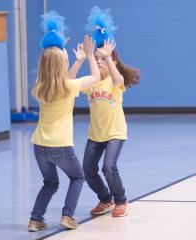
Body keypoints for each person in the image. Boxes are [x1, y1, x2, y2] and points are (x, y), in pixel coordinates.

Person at [28, 11, 101, 232]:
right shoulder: (69, 87)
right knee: (77, 177)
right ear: (62, 64)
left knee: (50, 183)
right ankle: (67, 216)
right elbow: (96, 78)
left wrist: (71, 59)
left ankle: (35, 219)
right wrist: (88, 56)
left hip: (39, 146)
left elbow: (59, 75)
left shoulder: (40, 87)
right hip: (60, 145)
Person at [72, 6, 140, 218]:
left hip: (115, 132)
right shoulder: (92, 83)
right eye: (98, 61)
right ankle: (105, 199)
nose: (100, 64)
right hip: (96, 134)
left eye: (103, 61)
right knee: (88, 170)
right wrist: (84, 58)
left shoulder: (114, 81)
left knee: (109, 167)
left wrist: (108, 57)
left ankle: (121, 200)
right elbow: (71, 83)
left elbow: (119, 79)